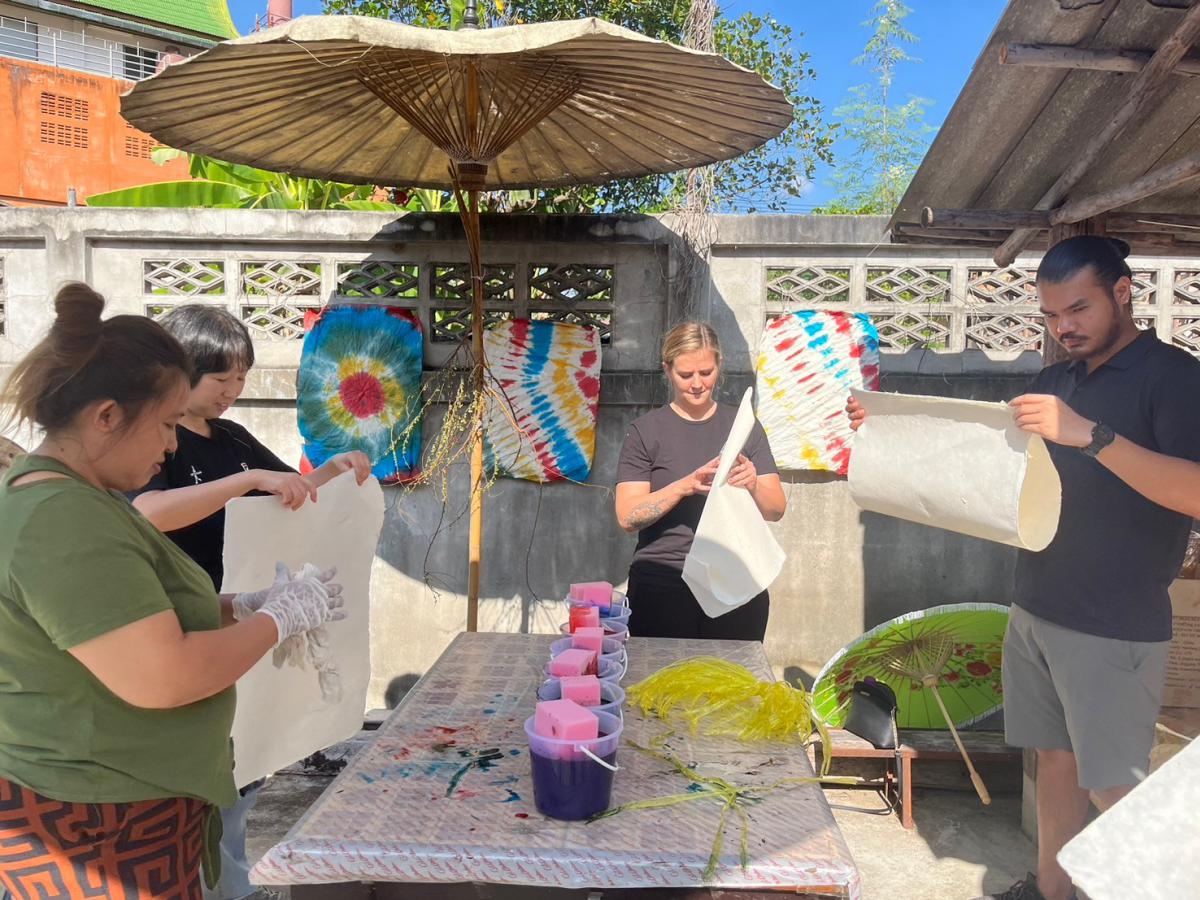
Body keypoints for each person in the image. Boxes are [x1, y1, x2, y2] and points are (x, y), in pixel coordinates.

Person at [848, 236, 1200, 900]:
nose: (1064, 327)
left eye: (1078, 308)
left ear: (1123, 292)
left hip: (1114, 624)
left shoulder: (1175, 377)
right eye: (1051, 315)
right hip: (1036, 607)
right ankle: (1049, 891)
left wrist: (1091, 436)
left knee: (1117, 789)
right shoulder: (1056, 380)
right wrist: (889, 423)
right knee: (1055, 764)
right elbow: (984, 452)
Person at [0, 283, 344, 899]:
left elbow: (137, 614)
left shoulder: (81, 498)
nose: (170, 444)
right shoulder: (61, 518)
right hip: (99, 821)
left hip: (131, 805)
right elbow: (167, 676)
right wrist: (277, 621)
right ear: (106, 417)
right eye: (164, 424)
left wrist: (241, 606)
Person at [129, 305, 369, 900]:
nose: (232, 391)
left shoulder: (232, 437)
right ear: (177, 372)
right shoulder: (153, 441)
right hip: (183, 627)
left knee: (244, 765)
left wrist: (333, 470)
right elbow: (146, 513)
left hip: (240, 615)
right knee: (205, 778)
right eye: (221, 378)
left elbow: (289, 489)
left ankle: (230, 883)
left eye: (241, 378)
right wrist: (243, 483)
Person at [614, 322, 786, 641]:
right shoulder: (645, 432)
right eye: (685, 375)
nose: (697, 384)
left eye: (706, 373)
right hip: (663, 582)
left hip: (735, 582)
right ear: (667, 370)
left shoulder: (744, 426)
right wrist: (685, 486)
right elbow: (627, 516)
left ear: (719, 364)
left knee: (733, 674)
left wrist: (752, 483)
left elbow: (775, 509)